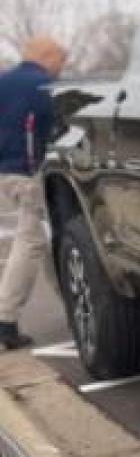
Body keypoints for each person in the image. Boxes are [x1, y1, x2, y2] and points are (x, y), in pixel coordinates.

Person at [0, 35, 68, 349]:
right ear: (48, 56)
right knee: (32, 239)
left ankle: (71, 298)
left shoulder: (4, 81)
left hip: (5, 171)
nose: (61, 68)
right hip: (28, 172)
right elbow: (60, 129)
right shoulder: (43, 87)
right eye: (60, 61)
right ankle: (5, 320)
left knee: (45, 235)